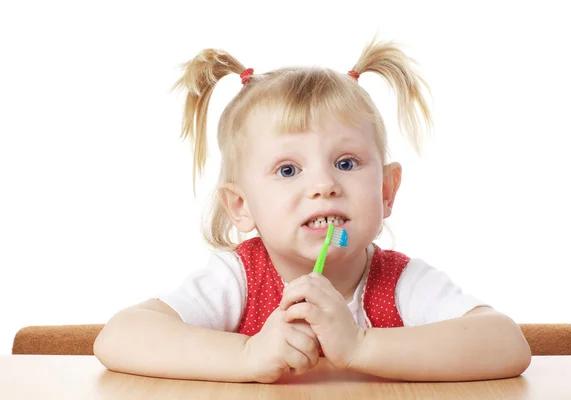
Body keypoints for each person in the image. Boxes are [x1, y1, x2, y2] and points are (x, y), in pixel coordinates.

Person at [93, 38, 532, 383]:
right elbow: (119, 337)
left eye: (346, 164)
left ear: (386, 190)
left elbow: (507, 345)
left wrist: (359, 346)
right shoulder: (236, 280)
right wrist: (248, 355)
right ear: (241, 206)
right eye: (288, 169)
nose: (323, 186)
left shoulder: (403, 284)